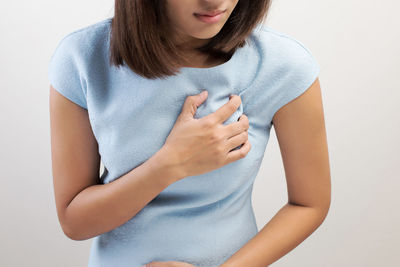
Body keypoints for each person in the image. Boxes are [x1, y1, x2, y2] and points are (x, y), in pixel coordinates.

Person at [48, 0, 331, 266]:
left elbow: (309, 205)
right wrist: (170, 165)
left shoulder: (284, 65)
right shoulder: (82, 57)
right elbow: (74, 222)